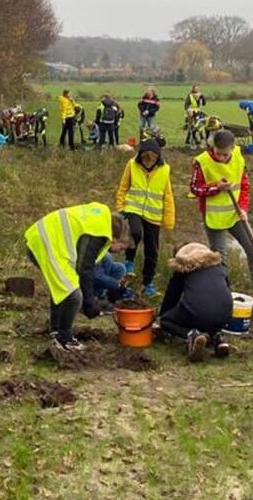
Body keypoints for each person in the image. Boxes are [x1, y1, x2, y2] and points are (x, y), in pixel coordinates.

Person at [188, 130, 253, 311]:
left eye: (225, 154)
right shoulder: (201, 162)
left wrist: (244, 209)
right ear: (212, 146)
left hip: (236, 215)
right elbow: (194, 189)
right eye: (218, 153)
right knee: (219, 260)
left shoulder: (238, 157)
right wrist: (215, 187)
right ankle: (222, 297)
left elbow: (244, 186)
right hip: (214, 218)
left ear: (232, 148)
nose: (222, 158)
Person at [26, 203, 130, 352]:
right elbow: (85, 268)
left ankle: (56, 330)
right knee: (74, 295)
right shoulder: (99, 232)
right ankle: (65, 339)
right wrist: (89, 304)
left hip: (42, 240)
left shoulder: (99, 218)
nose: (118, 252)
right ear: (115, 238)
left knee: (62, 289)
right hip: (48, 245)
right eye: (121, 247)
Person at [114, 138, 174, 296]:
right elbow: (123, 187)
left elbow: (168, 196)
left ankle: (148, 283)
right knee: (135, 232)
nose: (148, 162)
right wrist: (121, 208)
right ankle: (129, 261)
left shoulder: (165, 169)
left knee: (152, 251)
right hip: (133, 208)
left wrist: (168, 220)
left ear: (157, 158)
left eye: (152, 159)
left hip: (153, 214)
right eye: (145, 158)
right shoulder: (131, 165)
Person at [158, 243, 234, 362]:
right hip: (225, 315)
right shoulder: (219, 266)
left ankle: (192, 335)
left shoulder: (184, 269)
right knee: (207, 315)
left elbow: (172, 297)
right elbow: (227, 290)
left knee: (166, 320)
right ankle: (217, 339)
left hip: (198, 314)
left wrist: (163, 316)